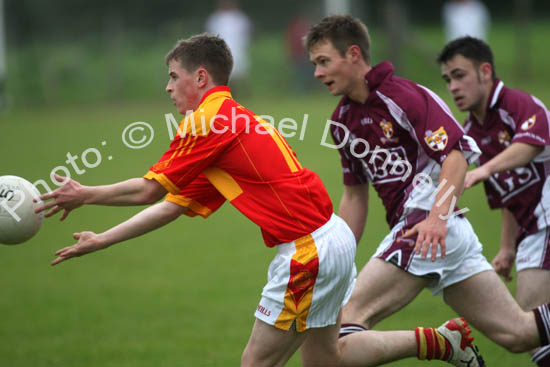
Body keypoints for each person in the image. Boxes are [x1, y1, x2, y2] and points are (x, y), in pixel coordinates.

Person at [35, 33, 485, 367]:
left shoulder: (209, 121)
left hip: (308, 249)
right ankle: (442, 343)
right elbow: (171, 204)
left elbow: (148, 188)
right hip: (330, 239)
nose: (168, 88)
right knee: (328, 360)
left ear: (201, 77)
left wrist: (85, 193)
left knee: (256, 364)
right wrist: (103, 240)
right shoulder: (227, 123)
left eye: (173, 77)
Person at [306, 13, 550, 361]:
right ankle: (452, 344)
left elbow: (456, 155)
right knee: (519, 334)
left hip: (425, 225)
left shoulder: (403, 96)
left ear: (354, 55)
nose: (317, 72)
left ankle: (443, 343)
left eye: (324, 61)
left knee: (344, 326)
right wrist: (339, 256)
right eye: (315, 64)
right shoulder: (341, 121)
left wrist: (436, 217)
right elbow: (355, 196)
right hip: (440, 233)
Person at [438, 35, 550, 367]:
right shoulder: (471, 131)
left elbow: (530, 145)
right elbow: (508, 199)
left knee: (527, 320)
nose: (453, 87)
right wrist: (506, 248)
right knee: (531, 333)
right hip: (530, 230)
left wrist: (483, 169)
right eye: (448, 80)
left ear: (485, 71)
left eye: (460, 75)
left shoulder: (517, 104)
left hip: (547, 219)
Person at [205, 0, 252, 90]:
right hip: (220, 49)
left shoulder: (239, 18)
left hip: (237, 48)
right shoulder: (216, 18)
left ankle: (240, 91)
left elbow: (246, 33)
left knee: (238, 71)